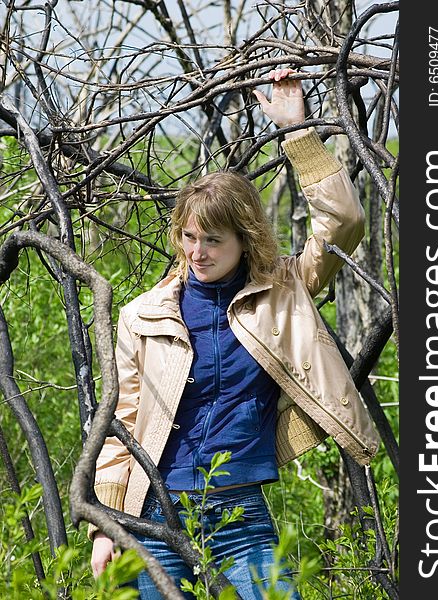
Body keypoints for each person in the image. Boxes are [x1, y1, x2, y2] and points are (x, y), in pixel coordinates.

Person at [90, 68, 380, 598]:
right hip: (156, 510)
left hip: (239, 509)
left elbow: (344, 221)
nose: (196, 252)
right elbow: (123, 423)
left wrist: (298, 132)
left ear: (244, 240)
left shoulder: (285, 289)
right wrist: (104, 524)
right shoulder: (143, 315)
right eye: (188, 237)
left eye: (213, 241)